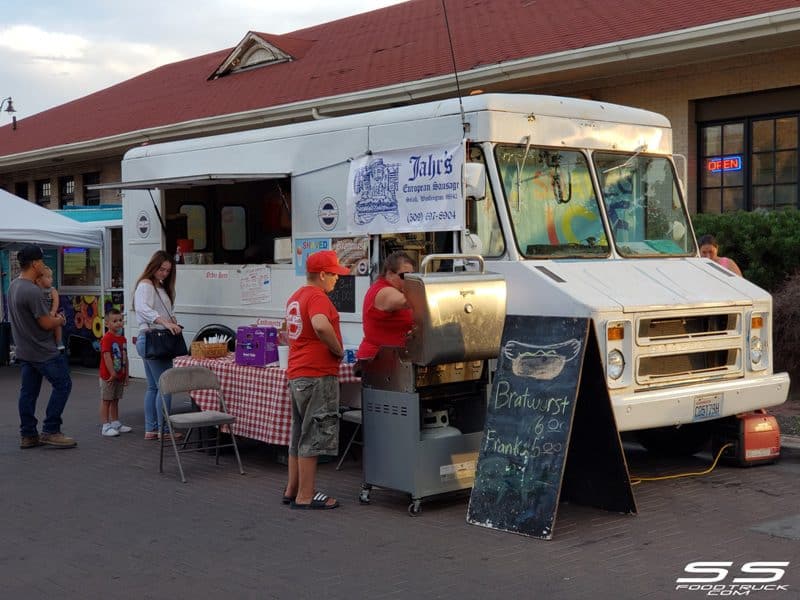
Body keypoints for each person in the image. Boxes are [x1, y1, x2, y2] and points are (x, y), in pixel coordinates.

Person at [283, 249, 349, 510]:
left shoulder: (295, 297)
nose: (336, 280)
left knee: (299, 434)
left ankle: (293, 489)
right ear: (322, 275)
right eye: (333, 275)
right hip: (317, 373)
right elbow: (321, 325)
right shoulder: (318, 298)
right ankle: (305, 496)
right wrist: (338, 350)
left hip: (298, 373)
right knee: (314, 435)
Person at [8, 244, 76, 449]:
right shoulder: (32, 290)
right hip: (43, 350)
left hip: (24, 349)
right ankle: (51, 429)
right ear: (35, 263)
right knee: (63, 384)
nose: (43, 264)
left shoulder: (13, 286)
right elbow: (46, 323)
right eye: (42, 261)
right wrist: (60, 321)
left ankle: (28, 434)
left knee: (28, 392)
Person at [133, 250, 185, 441]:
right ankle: (163, 429)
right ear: (153, 266)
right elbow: (143, 309)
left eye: (168, 270)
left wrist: (170, 320)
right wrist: (165, 322)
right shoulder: (146, 285)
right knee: (165, 387)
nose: (164, 273)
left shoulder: (156, 285)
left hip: (148, 338)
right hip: (154, 338)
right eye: (162, 269)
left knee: (154, 387)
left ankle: (152, 428)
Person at [356, 251, 415, 361]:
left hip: (394, 359)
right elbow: (405, 301)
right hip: (378, 361)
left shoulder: (399, 290)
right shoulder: (383, 291)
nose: (409, 280)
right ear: (390, 274)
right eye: (404, 276)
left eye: (412, 276)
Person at [99, 308, 132, 437]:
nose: (118, 323)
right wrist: (112, 373)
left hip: (119, 375)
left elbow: (125, 357)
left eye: (120, 320)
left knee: (115, 399)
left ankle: (115, 422)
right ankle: (105, 426)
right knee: (106, 400)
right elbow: (106, 356)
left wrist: (126, 374)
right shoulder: (107, 339)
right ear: (107, 324)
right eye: (114, 321)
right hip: (108, 377)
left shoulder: (123, 339)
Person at [35, 265, 64, 351]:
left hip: (50, 312)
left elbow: (56, 302)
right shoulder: (36, 289)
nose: (51, 279)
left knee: (57, 324)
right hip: (41, 313)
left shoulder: (52, 290)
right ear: (39, 279)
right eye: (48, 277)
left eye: (51, 277)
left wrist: (53, 311)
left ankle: (59, 341)